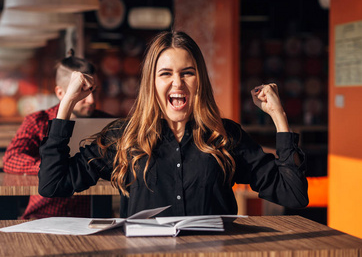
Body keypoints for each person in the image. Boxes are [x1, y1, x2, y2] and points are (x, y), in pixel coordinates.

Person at [38, 31, 309, 218]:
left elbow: (293, 195)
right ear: (151, 83)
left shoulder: (225, 136)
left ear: (199, 80)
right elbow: (52, 184)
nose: (177, 83)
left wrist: (279, 116)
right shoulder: (124, 138)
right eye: (165, 73)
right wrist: (67, 104)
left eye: (187, 73)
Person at [3, 51, 112, 219]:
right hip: (44, 214)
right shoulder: (38, 121)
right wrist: (53, 167)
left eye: (94, 91)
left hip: (93, 218)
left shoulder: (107, 123)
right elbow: (11, 159)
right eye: (82, 91)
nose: (91, 100)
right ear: (61, 93)